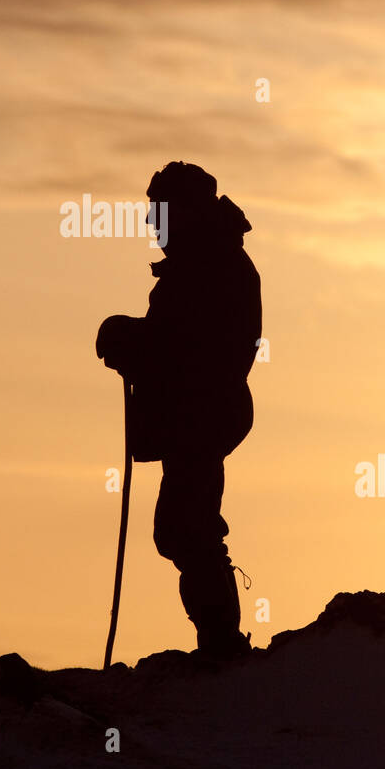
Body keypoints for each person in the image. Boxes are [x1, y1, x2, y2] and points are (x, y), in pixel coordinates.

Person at [96, 162, 261, 659]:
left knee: (187, 526)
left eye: (159, 213)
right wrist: (134, 343)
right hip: (194, 416)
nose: (152, 225)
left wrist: (131, 340)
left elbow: (192, 346)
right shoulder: (203, 265)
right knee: (183, 527)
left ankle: (222, 643)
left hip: (203, 416)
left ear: (184, 212)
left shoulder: (213, 268)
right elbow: (177, 344)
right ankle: (218, 640)